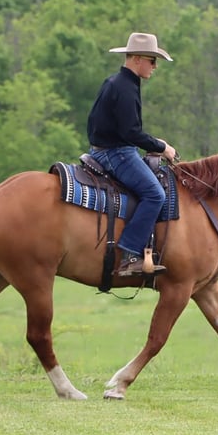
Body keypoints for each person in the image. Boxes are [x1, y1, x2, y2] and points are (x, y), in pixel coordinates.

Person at [87, 32, 178, 277]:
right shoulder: (126, 88)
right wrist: (162, 147)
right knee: (155, 194)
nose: (155, 67)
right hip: (118, 154)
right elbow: (131, 132)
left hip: (102, 150)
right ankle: (130, 255)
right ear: (137, 58)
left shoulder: (114, 82)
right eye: (152, 60)